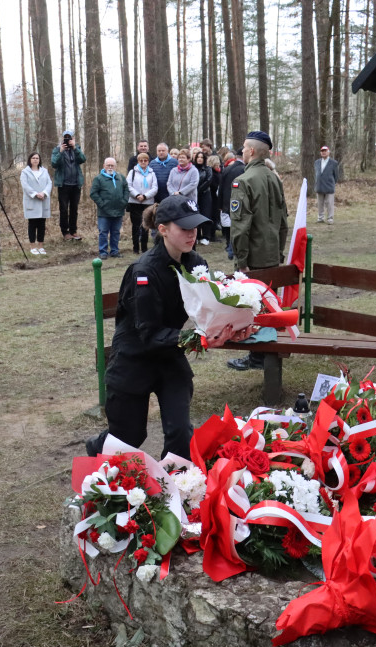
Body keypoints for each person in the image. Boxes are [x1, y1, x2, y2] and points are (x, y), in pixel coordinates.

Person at [84, 196, 253, 460]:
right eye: (184, 227)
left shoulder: (196, 263)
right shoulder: (144, 271)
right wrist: (200, 339)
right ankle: (96, 450)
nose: (192, 233)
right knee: (129, 438)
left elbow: (206, 314)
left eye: (195, 226)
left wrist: (234, 328)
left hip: (170, 356)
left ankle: (177, 487)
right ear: (162, 229)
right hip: (134, 360)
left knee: (181, 436)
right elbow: (149, 335)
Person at [227, 130, 288, 372]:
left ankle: (256, 357)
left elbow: (240, 227)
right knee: (268, 306)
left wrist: (241, 260)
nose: (241, 151)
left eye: (243, 148)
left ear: (251, 151)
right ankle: (264, 354)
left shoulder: (243, 181)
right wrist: (278, 251)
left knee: (252, 307)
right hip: (272, 253)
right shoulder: (274, 178)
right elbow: (284, 222)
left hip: (253, 257)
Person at [89, 157, 130, 260]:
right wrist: (102, 204)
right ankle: (103, 252)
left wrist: (124, 202)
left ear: (115, 166)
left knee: (116, 232)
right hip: (104, 212)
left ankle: (115, 251)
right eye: (108, 165)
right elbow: (93, 193)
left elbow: (126, 190)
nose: (110, 167)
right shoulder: (99, 179)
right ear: (104, 166)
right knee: (103, 232)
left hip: (118, 210)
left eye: (112, 165)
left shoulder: (120, 177)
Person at [51, 129, 85, 241]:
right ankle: (65, 232)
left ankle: (73, 231)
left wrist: (75, 148)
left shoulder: (77, 149)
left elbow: (82, 159)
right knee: (64, 209)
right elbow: (54, 164)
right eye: (65, 137)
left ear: (73, 138)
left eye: (69, 137)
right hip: (63, 184)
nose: (67, 139)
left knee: (74, 208)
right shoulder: (57, 149)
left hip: (76, 184)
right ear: (62, 138)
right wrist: (61, 151)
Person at [20, 152, 52, 255]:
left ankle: (41, 246)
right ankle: (33, 246)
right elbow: (25, 185)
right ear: (30, 159)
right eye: (33, 158)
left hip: (43, 200)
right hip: (32, 201)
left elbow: (49, 183)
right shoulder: (25, 172)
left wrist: (44, 193)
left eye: (37, 158)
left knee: (42, 224)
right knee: (33, 224)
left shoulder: (44, 171)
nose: (35, 160)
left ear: (39, 160)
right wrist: (35, 194)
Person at [126, 152, 157, 253]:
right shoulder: (132, 172)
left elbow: (155, 187)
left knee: (146, 226)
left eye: (145, 160)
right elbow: (128, 186)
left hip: (147, 203)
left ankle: (144, 248)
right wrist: (137, 195)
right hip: (135, 202)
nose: (143, 162)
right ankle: (135, 248)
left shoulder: (152, 173)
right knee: (135, 225)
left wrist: (145, 196)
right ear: (138, 161)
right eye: (141, 160)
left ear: (148, 162)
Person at [218, 150, 246, 260]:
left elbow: (221, 188)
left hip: (227, 203)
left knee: (231, 228)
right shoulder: (245, 170)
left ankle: (230, 248)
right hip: (239, 202)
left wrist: (220, 204)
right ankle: (233, 249)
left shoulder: (227, 169)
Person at [314, 145, 340, 224]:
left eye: (325, 151)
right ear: (320, 153)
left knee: (329, 203)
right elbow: (316, 174)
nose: (324, 152)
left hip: (329, 186)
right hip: (319, 186)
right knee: (320, 204)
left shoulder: (334, 163)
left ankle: (330, 218)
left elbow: (336, 176)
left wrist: (331, 182)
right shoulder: (317, 162)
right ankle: (320, 218)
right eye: (322, 151)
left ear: (328, 152)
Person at [193, 150, 214, 244]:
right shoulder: (193, 168)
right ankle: (197, 236)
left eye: (201, 157)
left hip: (205, 194)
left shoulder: (208, 169)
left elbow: (209, 180)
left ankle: (206, 236)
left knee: (206, 214)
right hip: (194, 195)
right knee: (195, 214)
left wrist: (199, 189)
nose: (200, 159)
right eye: (198, 157)